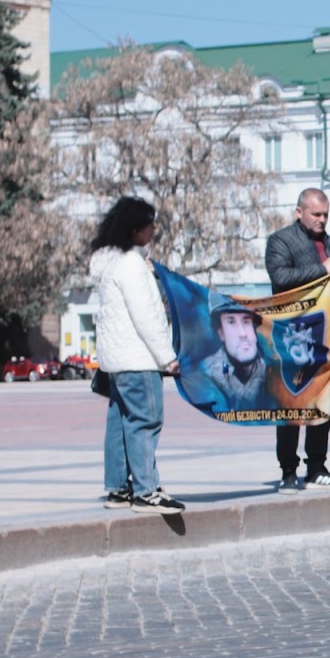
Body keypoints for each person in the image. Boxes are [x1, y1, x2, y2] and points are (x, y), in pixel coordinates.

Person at [89, 196, 184, 512]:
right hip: (139, 358)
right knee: (145, 420)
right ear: (134, 230)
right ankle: (146, 490)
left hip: (117, 362)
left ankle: (118, 488)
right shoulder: (131, 266)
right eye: (149, 225)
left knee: (119, 423)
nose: (154, 230)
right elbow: (147, 316)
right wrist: (167, 357)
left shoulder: (113, 263)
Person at [265, 188, 330, 493]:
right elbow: (281, 278)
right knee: (291, 406)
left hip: (328, 338)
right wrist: (321, 270)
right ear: (299, 212)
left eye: (326, 214)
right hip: (292, 337)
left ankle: (317, 468)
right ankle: (288, 470)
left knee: (322, 406)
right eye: (316, 214)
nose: (322, 220)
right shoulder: (281, 241)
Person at [199, 301, 270, 411]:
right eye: (231, 322)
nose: (242, 334)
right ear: (221, 333)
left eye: (246, 322)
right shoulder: (207, 372)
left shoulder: (270, 370)